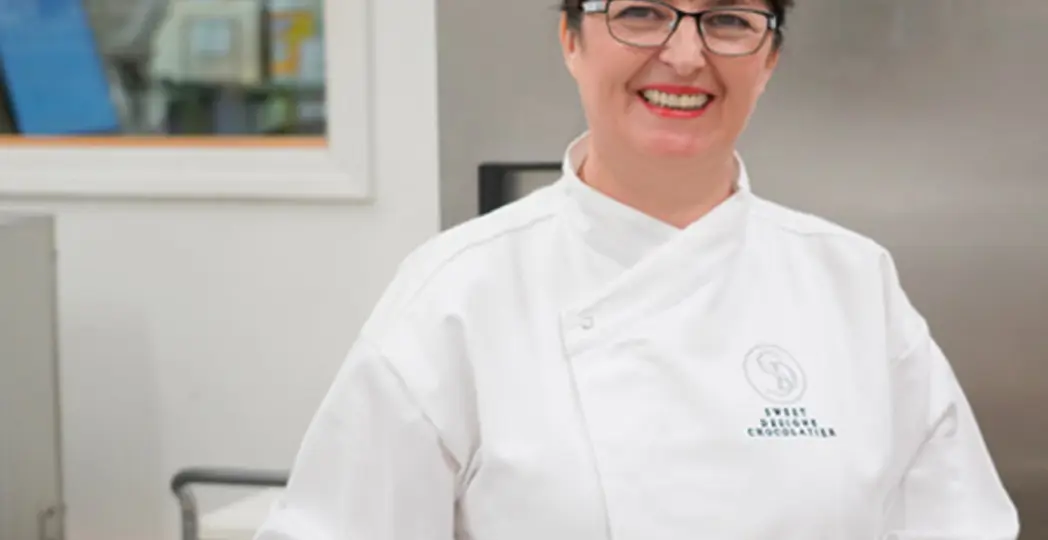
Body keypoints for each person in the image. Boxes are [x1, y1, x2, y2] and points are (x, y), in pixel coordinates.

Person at [255, 0, 1021, 538]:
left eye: (729, 20)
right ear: (571, 37)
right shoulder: (457, 294)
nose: (685, 55)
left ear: (770, 57)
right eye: (642, 12)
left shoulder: (853, 284)